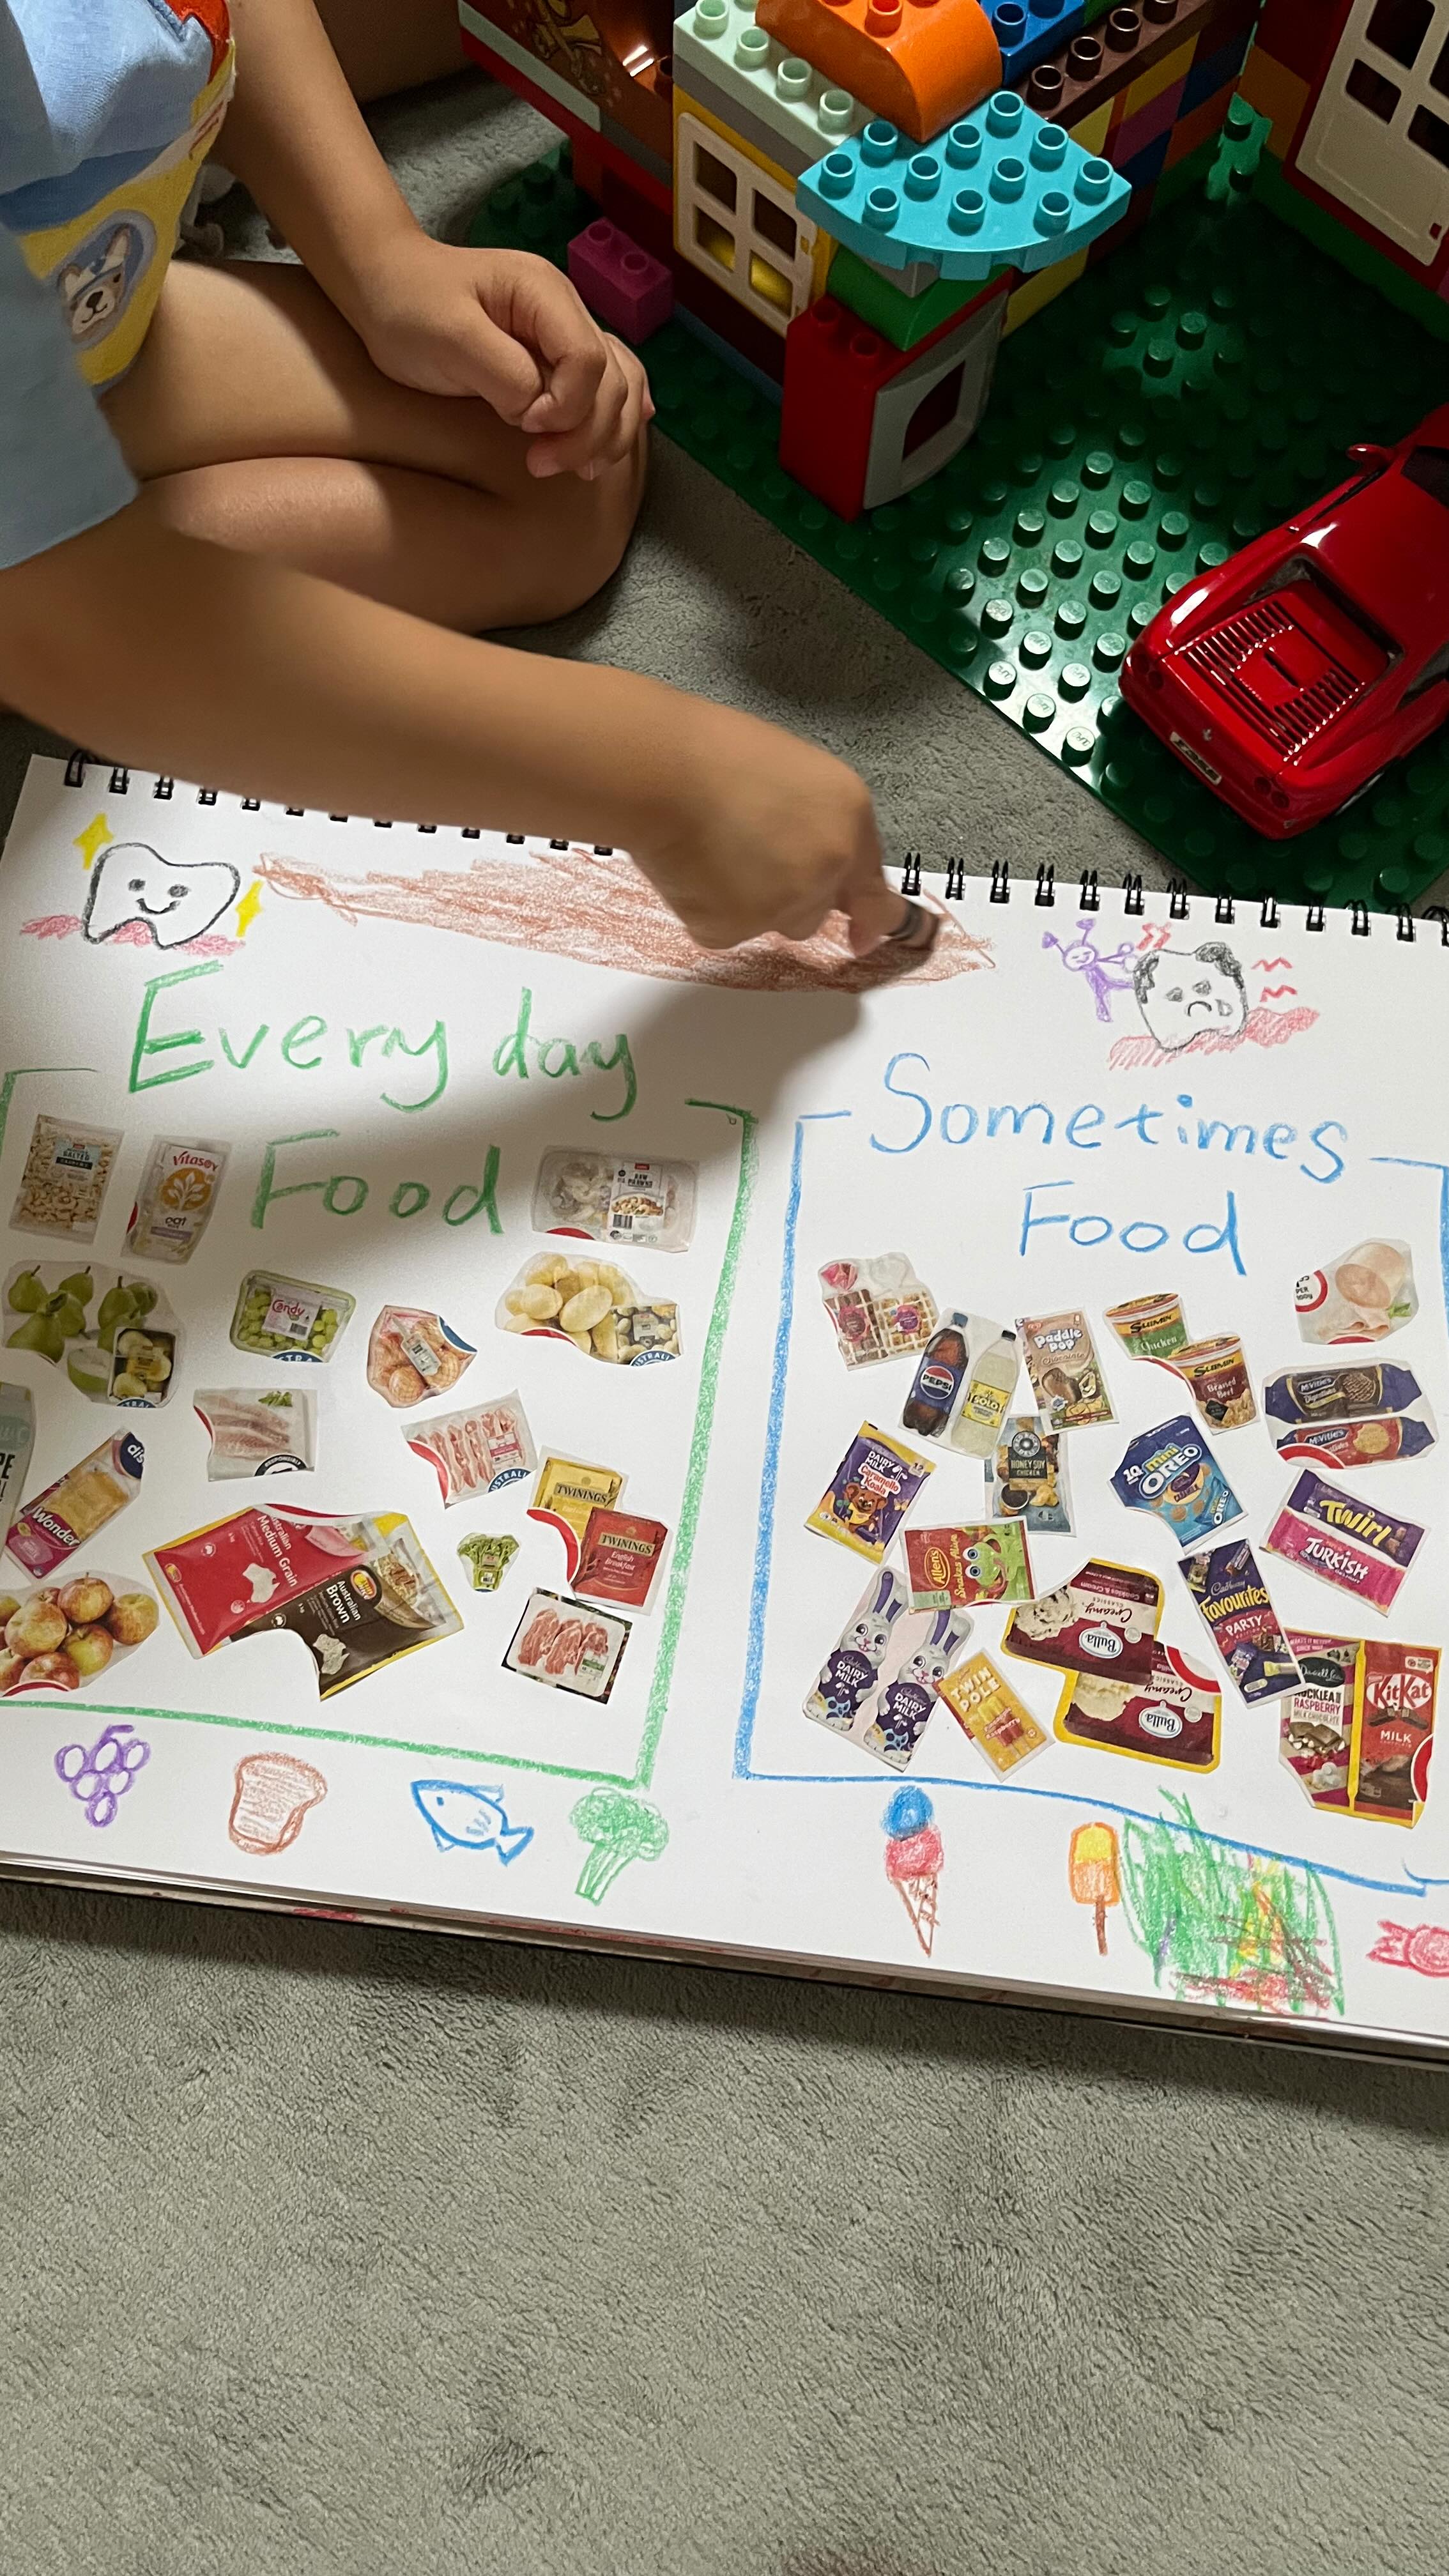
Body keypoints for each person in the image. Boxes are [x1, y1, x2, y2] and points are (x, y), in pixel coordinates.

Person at [0, 0, 907, 960]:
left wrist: (383, 259)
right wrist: (662, 777)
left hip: (87, 316)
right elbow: (90, 639)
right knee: (78, 625)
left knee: (559, 472)